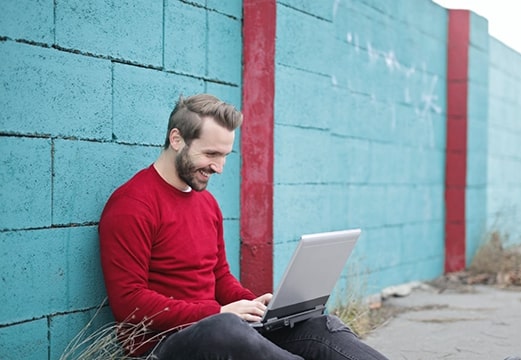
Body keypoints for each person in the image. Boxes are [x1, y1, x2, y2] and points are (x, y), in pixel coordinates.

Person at [99, 93, 389, 360]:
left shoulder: (207, 203)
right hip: (163, 346)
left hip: (220, 328)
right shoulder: (133, 205)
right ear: (177, 139)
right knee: (225, 329)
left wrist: (252, 304)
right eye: (211, 154)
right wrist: (219, 312)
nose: (219, 167)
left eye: (225, 155)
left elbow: (220, 277)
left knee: (318, 324)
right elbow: (129, 302)